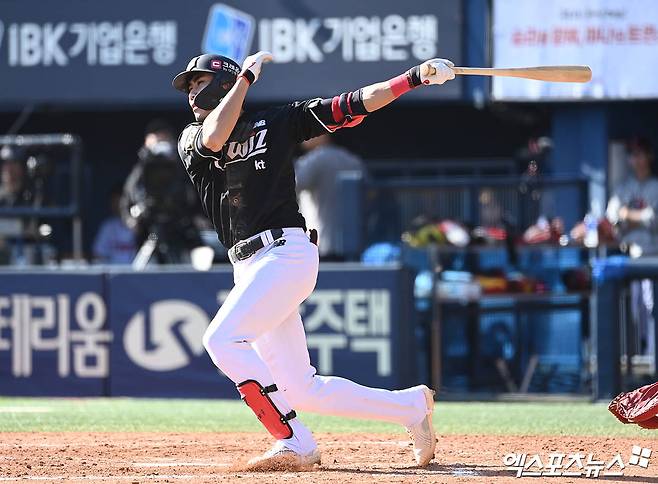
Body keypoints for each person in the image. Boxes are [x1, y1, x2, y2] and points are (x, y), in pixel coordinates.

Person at [172, 51, 455, 468]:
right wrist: (247, 78)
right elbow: (215, 138)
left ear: (223, 83)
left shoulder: (276, 122)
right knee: (301, 388)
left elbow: (355, 103)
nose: (192, 93)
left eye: (199, 83)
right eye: (190, 86)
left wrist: (414, 77)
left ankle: (296, 442)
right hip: (248, 264)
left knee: (221, 339)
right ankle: (410, 406)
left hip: (285, 254)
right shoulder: (190, 138)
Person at [121, 119, 203, 264]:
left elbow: (195, 195)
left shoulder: (185, 168)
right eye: (156, 142)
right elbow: (128, 199)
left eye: (164, 141)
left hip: (181, 227)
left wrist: (197, 217)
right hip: (151, 230)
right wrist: (132, 220)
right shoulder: (142, 170)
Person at [606, 137, 658, 360]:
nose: (636, 160)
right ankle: (646, 356)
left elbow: (654, 219)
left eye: (640, 154)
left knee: (652, 307)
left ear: (649, 157)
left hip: (654, 256)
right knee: (638, 310)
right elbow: (613, 218)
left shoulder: (655, 186)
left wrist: (629, 216)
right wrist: (633, 218)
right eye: (632, 155)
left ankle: (653, 356)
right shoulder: (624, 188)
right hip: (633, 256)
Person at [294, 134, 363, 261]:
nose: (304, 135)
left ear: (325, 134)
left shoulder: (315, 159)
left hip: (320, 241)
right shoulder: (352, 159)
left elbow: (291, 186)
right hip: (353, 242)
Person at [92, 186, 136, 264]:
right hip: (114, 273)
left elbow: (154, 239)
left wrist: (143, 231)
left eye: (119, 202)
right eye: (114, 202)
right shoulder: (107, 226)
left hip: (139, 273)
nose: (117, 206)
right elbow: (98, 254)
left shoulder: (144, 224)